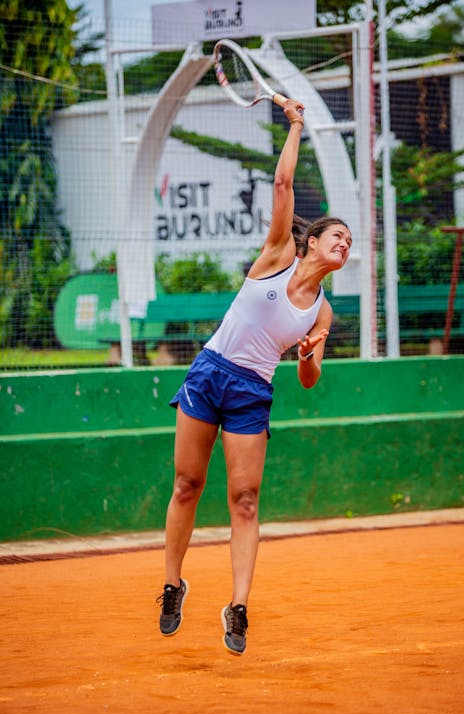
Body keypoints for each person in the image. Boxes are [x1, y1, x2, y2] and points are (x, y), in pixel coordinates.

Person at [156, 99, 352, 655]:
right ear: (312, 240)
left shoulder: (322, 311)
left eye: (350, 244)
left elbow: (310, 380)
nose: (344, 245)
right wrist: (294, 124)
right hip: (211, 371)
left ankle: (237, 607)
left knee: (244, 499)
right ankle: (172, 585)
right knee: (186, 485)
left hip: (252, 391)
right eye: (338, 236)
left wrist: (311, 354)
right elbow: (284, 181)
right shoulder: (277, 253)